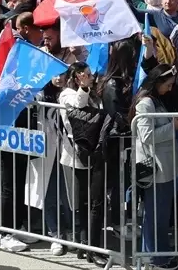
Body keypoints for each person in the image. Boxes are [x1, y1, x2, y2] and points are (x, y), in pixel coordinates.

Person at [131, 64, 178, 270]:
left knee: (161, 216)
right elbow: (147, 136)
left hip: (164, 167)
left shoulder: (156, 101)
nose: (170, 89)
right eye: (168, 85)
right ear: (157, 83)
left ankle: (159, 254)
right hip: (155, 169)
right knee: (154, 216)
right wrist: (174, 126)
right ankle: (154, 258)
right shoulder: (145, 104)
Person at [58, 62, 109, 265]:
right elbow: (79, 107)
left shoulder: (92, 94)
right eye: (87, 75)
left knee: (93, 202)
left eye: (91, 74)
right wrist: (84, 88)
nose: (91, 77)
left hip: (95, 152)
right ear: (78, 77)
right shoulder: (67, 94)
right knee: (88, 202)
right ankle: (88, 246)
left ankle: (88, 245)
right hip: (79, 154)